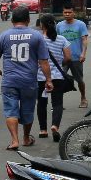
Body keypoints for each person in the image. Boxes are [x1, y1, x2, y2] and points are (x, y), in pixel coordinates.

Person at [0, 7, 54, 150]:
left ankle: (14, 140)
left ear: (12, 20)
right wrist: (48, 80)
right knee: (28, 110)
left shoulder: (4, 36)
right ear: (28, 20)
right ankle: (26, 138)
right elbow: (43, 61)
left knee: (11, 110)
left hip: (9, 81)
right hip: (29, 81)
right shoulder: (37, 36)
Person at [35, 13, 72, 141]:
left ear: (42, 25)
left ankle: (43, 130)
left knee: (41, 103)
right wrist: (59, 63)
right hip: (57, 76)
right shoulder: (62, 39)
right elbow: (68, 57)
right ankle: (55, 126)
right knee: (57, 103)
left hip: (40, 77)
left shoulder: (38, 39)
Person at [56, 7, 90, 108]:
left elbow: (84, 39)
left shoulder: (80, 24)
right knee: (59, 79)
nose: (67, 14)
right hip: (63, 58)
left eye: (69, 12)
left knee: (79, 80)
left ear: (73, 13)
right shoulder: (59, 25)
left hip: (76, 57)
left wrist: (83, 53)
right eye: (65, 12)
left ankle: (83, 98)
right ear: (63, 13)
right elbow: (56, 41)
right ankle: (58, 103)